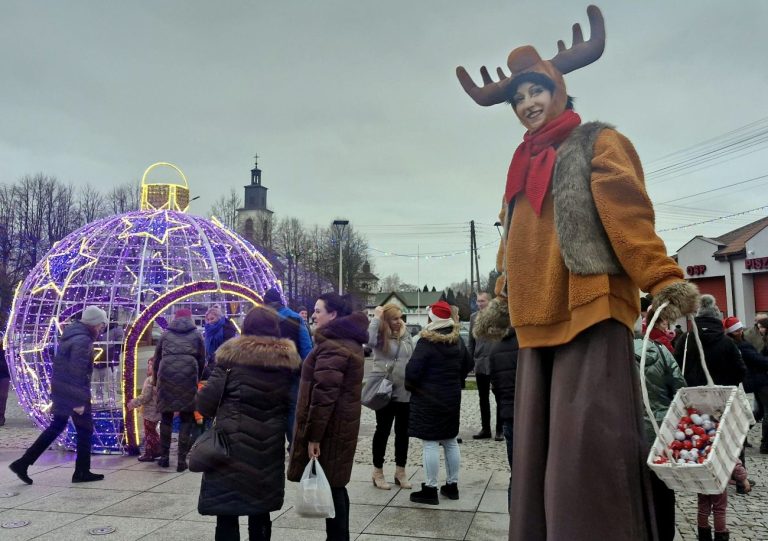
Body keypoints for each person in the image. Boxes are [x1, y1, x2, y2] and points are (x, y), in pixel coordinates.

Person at [455, 6, 699, 539]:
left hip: (590, 309)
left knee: (588, 448)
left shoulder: (598, 142)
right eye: (518, 98)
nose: (526, 104)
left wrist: (661, 276)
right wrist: (502, 296)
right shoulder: (519, 163)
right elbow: (512, 240)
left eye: (535, 91)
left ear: (559, 89)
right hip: (536, 322)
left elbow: (627, 215)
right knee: (539, 455)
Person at [197, 306, 301, 541]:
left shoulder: (228, 360)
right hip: (268, 448)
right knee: (260, 512)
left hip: (229, 447)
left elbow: (205, 405)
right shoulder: (287, 364)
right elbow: (294, 408)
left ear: (245, 329)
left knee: (226, 512)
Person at [287, 293, 368, 541]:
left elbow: (324, 396)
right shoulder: (341, 342)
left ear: (333, 314)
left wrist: (313, 438)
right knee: (335, 485)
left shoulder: (334, 346)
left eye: (318, 310)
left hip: (332, 429)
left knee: (334, 487)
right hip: (339, 426)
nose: (313, 315)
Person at [9, 306, 109, 484]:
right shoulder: (82, 340)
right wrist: (79, 401)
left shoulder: (73, 335)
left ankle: (23, 463)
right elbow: (77, 371)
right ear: (94, 323)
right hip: (74, 393)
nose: (102, 328)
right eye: (101, 324)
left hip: (63, 390)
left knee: (56, 427)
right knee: (85, 430)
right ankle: (81, 472)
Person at [406, 300, 472, 505]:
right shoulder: (457, 341)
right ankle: (452, 486)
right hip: (451, 396)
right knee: (450, 440)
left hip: (428, 399)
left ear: (432, 318)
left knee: (430, 442)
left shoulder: (427, 342)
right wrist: (455, 380)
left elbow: (412, 372)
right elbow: (469, 364)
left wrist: (412, 387)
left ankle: (431, 488)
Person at [634, 331, 686, 541]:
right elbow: (680, 389)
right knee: (663, 492)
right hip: (661, 435)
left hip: (630, 434)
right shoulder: (662, 351)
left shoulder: (613, 355)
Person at [476, 296, 518, 509]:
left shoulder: (495, 348)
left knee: (516, 473)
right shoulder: (525, 342)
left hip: (509, 413)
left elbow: (497, 388)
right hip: (528, 413)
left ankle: (515, 521)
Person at [367, 303, 414, 490]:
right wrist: (376, 318)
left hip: (404, 390)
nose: (399, 321)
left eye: (401, 317)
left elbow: (412, 354)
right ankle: (377, 471)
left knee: (403, 433)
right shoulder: (379, 335)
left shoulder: (405, 334)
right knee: (383, 431)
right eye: (395, 318)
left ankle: (400, 471)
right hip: (384, 391)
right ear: (387, 320)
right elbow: (368, 342)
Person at [153, 308, 205, 471]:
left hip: (166, 373)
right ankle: (182, 460)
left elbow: (156, 358)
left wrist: (156, 379)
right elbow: (203, 358)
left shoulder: (165, 334)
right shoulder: (197, 335)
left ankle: (164, 457)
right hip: (189, 374)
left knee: (166, 417)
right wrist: (197, 376)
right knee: (186, 417)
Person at [263, 287, 313, 445]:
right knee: (292, 409)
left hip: (268, 375)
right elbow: (307, 348)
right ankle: (293, 445)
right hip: (292, 372)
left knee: (271, 410)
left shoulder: (261, 318)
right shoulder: (296, 318)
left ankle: (272, 446)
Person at [724, 316, 768, 456]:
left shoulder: (736, 343)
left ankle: (740, 435)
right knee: (766, 412)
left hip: (755, 380)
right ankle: (765, 444)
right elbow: (758, 360)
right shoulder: (741, 345)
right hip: (759, 381)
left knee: (759, 412)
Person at [468, 292, 502, 440]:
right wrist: (470, 361)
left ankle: (500, 430)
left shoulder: (498, 317)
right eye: (478, 301)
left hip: (496, 362)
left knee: (500, 397)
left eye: (482, 301)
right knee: (483, 398)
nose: (479, 303)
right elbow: (471, 341)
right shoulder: (473, 318)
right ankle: (486, 429)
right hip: (480, 362)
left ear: (489, 302)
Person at [698, 461, 750, 541]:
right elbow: (732, 459)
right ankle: (720, 536)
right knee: (719, 510)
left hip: (702, 478)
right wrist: (744, 479)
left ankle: (703, 536)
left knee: (703, 508)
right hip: (719, 479)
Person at [127, 357, 161, 462]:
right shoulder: (160, 379)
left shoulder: (150, 380)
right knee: (152, 432)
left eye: (150, 365)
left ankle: (150, 453)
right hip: (157, 410)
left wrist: (133, 402)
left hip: (150, 411)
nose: (148, 367)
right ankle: (157, 450)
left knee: (149, 433)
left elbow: (145, 396)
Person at [202, 305, 238, 377]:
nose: (209, 322)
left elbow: (227, 348)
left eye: (212, 319)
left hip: (224, 363)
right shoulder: (208, 330)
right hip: (211, 362)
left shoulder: (227, 328)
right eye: (208, 319)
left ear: (218, 317)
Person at [0, 338, 9, 427]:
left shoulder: (6, 351)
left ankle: (1, 416)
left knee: (2, 396)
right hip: (4, 374)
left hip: (4, 375)